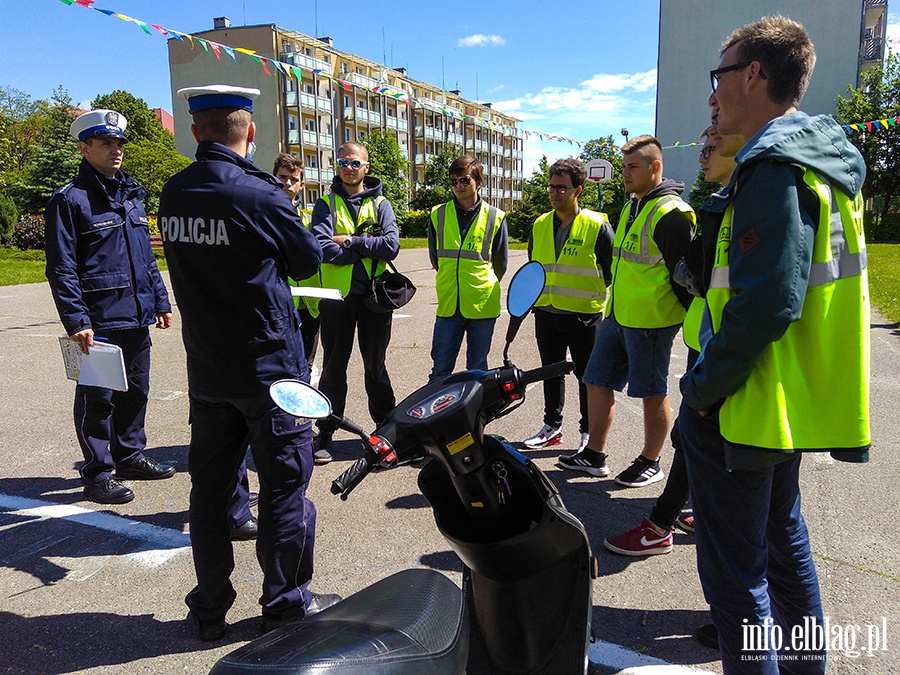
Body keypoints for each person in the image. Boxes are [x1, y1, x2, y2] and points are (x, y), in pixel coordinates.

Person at [680, 16, 870, 672]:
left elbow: (767, 302)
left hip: (743, 404)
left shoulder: (773, 165)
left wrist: (702, 389)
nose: (713, 93)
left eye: (721, 75)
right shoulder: (818, 160)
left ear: (755, 75)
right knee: (785, 556)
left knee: (740, 586)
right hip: (784, 401)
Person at [159, 84, 336, 641]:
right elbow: (307, 262)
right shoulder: (261, 195)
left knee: (209, 494)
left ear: (195, 131)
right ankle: (284, 605)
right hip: (269, 372)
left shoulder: (174, 192)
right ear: (250, 132)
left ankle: (209, 607)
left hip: (209, 371)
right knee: (284, 489)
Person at [604, 127, 741, 562]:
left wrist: (682, 313)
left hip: (701, 338)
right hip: (693, 333)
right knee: (699, 438)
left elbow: (704, 284)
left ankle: (662, 521)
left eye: (711, 148)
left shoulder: (680, 212)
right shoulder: (717, 205)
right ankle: (687, 513)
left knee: (696, 435)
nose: (702, 155)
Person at [44, 109, 175, 505]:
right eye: (105, 143)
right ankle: (98, 472)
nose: (115, 150)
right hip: (96, 319)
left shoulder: (131, 193)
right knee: (97, 398)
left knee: (136, 390)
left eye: (119, 143)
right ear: (85, 148)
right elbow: (61, 267)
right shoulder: (70, 200)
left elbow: (145, 258)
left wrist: (160, 299)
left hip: (136, 313)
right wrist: (76, 319)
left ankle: (130, 456)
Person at [558, 135, 694, 487]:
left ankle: (651, 461)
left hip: (652, 319)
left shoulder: (672, 212)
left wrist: (672, 318)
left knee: (652, 391)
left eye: (633, 167)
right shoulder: (635, 205)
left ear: (656, 167)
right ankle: (594, 455)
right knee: (595, 379)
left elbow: (686, 277)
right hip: (619, 315)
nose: (625, 174)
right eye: (623, 167)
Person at [311, 141, 400, 464]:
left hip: (376, 298)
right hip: (338, 299)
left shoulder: (381, 204)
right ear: (338, 166)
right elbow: (321, 247)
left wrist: (350, 241)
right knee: (334, 367)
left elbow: (391, 246)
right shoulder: (325, 204)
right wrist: (366, 249)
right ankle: (326, 432)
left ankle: (387, 429)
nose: (349, 167)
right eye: (344, 162)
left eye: (356, 163)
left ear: (367, 168)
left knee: (375, 367)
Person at [523, 159, 613, 453]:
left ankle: (587, 432)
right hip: (547, 312)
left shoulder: (597, 226)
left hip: (584, 316)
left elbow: (611, 272)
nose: (555, 192)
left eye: (562, 187)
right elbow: (534, 267)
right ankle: (552, 426)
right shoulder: (539, 224)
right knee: (551, 371)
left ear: (579, 190)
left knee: (587, 377)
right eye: (551, 186)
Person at [427, 155, 508, 382]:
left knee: (478, 369)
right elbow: (435, 258)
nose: (459, 186)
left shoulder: (495, 217)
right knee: (440, 370)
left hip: (482, 304)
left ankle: (475, 417)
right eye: (454, 181)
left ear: (478, 182)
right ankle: (437, 418)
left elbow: (501, 264)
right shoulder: (438, 214)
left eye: (464, 180)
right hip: (449, 304)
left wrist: (478, 284)